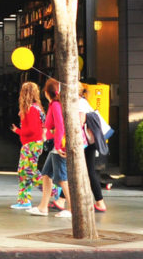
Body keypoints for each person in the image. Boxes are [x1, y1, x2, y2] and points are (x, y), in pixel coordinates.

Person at [29, 80, 72, 218]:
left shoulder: (55, 105)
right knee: (47, 174)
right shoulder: (58, 104)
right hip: (56, 145)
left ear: (47, 93)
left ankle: (72, 208)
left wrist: (58, 146)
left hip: (57, 146)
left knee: (62, 178)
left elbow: (60, 125)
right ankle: (43, 207)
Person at [9, 81, 45, 210]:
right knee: (26, 172)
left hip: (31, 144)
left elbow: (32, 130)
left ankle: (55, 191)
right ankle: (24, 200)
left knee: (27, 172)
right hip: (34, 144)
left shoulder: (31, 110)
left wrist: (18, 131)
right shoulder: (37, 108)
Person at [75, 86, 111, 211]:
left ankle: (100, 202)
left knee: (88, 171)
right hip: (89, 141)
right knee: (84, 170)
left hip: (86, 142)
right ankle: (62, 199)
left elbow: (79, 122)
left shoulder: (80, 103)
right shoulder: (83, 102)